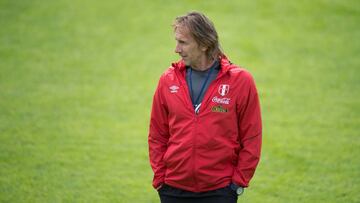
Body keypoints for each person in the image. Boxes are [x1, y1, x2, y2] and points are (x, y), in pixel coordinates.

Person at [148, 11, 262, 203]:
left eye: (183, 43)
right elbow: (157, 134)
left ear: (204, 44)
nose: (176, 49)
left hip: (220, 190)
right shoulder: (168, 80)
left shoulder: (240, 81)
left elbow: (251, 137)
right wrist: (161, 179)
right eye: (177, 42)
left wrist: (237, 183)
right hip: (173, 189)